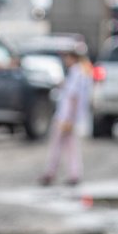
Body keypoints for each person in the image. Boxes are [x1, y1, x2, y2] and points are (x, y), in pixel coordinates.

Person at [39, 46, 93, 187]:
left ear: (73, 58)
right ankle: (74, 174)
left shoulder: (76, 72)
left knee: (57, 146)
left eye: (67, 57)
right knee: (71, 146)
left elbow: (74, 97)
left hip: (66, 116)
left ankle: (51, 173)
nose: (65, 60)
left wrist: (70, 118)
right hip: (71, 116)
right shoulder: (83, 71)